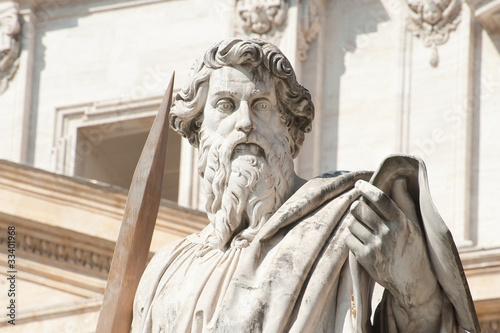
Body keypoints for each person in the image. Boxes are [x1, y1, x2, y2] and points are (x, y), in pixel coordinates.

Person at [132, 38, 478, 332]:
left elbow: (431, 324)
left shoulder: (350, 218)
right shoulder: (164, 269)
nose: (245, 123)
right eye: (225, 106)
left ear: (290, 130)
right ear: (198, 133)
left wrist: (413, 285)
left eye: (261, 105)